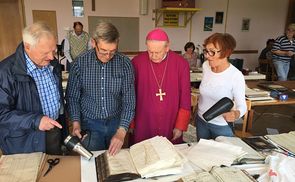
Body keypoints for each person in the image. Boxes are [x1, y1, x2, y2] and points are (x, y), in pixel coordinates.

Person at [66, 22, 135, 155]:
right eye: (103, 51)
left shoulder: (125, 63)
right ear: (93, 43)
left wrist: (122, 131)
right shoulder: (80, 63)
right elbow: (72, 97)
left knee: (115, 164)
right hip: (90, 124)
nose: (108, 56)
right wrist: (75, 122)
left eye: (112, 52)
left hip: (116, 123)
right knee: (91, 163)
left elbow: (129, 100)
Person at [0, 22, 64, 155]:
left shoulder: (52, 64)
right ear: (27, 47)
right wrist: (36, 120)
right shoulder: (5, 72)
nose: (51, 57)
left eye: (54, 50)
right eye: (45, 52)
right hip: (23, 142)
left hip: (53, 132)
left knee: (54, 171)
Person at [131, 28, 191, 144]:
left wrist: (180, 126)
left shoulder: (181, 64)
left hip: (171, 121)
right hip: (143, 122)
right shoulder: (137, 62)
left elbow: (185, 96)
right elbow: (130, 95)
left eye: (157, 52)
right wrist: (131, 123)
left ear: (167, 47)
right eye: (150, 51)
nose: (153, 56)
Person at [196, 33, 247, 140]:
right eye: (206, 51)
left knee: (222, 156)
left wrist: (235, 114)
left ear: (226, 52)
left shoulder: (235, 75)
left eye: (212, 52)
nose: (207, 56)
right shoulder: (206, 66)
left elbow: (242, 106)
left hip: (221, 126)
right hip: (201, 121)